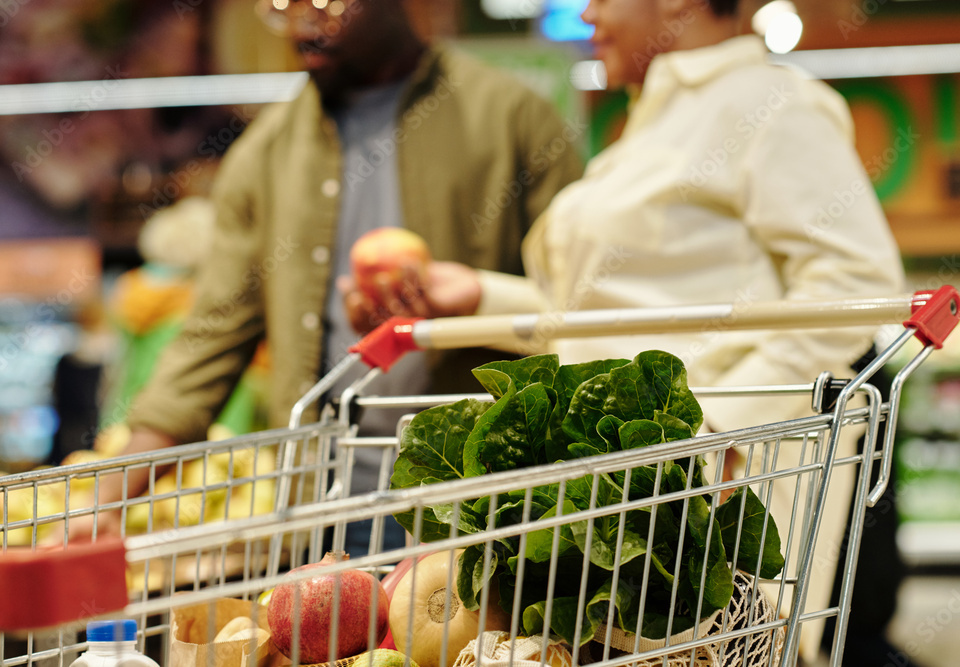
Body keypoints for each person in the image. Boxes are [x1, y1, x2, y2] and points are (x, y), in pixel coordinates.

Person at [342, 0, 906, 662]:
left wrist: (715, 426)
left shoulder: (770, 102)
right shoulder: (655, 118)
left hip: (707, 536)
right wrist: (478, 295)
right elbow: (614, 329)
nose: (586, 12)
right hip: (617, 522)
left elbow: (855, 286)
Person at [62, 0, 583, 549]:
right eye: (280, 6)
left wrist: (473, 301)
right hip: (322, 512)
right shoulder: (264, 156)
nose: (302, 21)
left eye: (326, 3)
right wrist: (111, 493)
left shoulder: (512, 121)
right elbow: (210, 337)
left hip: (480, 511)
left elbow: (581, 309)